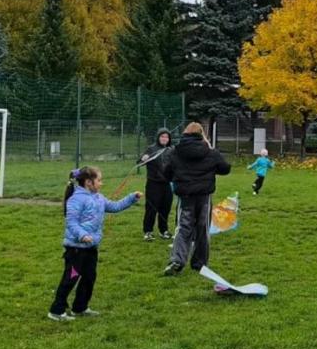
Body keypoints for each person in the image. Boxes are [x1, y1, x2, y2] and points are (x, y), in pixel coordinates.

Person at [48, 167, 140, 321]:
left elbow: (115, 206)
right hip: (76, 249)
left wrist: (132, 198)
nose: (101, 183)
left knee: (89, 277)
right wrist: (82, 235)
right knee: (70, 278)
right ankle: (56, 310)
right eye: (99, 180)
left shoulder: (98, 197)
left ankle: (80, 307)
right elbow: (71, 222)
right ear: (88, 182)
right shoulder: (76, 199)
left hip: (91, 248)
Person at [162, 123, 231, 276]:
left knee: (183, 228)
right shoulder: (210, 152)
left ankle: (177, 260)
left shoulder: (175, 152)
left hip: (185, 196)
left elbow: (166, 173)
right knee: (203, 229)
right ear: (202, 134)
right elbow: (225, 168)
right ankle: (200, 263)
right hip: (204, 197)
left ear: (185, 133)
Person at [140, 128, 174, 241]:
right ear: (158, 137)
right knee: (151, 208)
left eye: (167, 137)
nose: (164, 139)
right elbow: (140, 162)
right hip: (153, 184)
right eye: (162, 136)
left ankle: (163, 230)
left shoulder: (171, 149)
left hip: (167, 184)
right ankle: (148, 231)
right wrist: (143, 158)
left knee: (165, 208)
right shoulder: (151, 149)